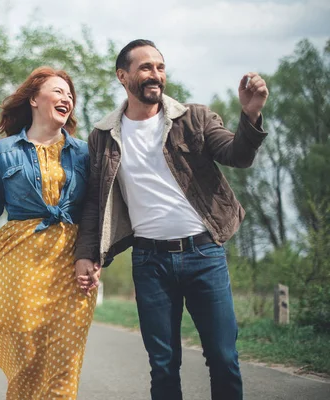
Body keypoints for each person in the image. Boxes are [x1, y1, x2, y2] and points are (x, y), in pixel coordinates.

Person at [74, 39, 269, 400]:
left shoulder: (193, 117)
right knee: (163, 364)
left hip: (204, 255)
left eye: (160, 67)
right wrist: (87, 253)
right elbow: (94, 202)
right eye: (145, 67)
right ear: (123, 75)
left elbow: (237, 154)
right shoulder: (103, 136)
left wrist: (251, 116)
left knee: (223, 357)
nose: (155, 75)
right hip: (150, 262)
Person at [0, 66, 97, 400]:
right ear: (35, 99)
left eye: (70, 95)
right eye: (58, 91)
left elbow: (95, 208)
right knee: (28, 354)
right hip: (22, 264)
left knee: (65, 357)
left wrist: (92, 255)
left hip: (72, 262)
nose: (66, 98)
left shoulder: (85, 152)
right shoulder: (4, 151)